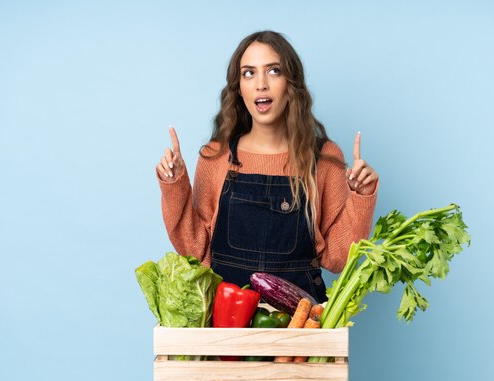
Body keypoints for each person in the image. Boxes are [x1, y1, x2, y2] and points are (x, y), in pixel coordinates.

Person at [155, 30, 379, 302]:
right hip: (228, 325)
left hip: (300, 327)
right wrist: (175, 184)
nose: (260, 84)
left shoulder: (323, 158)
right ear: (239, 88)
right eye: (249, 73)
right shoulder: (216, 156)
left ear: (291, 82)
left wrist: (362, 196)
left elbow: (338, 258)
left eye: (273, 71)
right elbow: (196, 250)